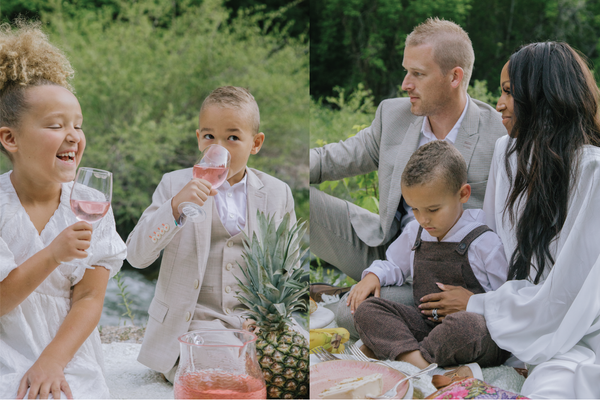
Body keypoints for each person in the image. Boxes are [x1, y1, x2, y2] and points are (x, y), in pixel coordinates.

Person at [419, 42, 600, 398]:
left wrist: (478, 304)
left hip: (581, 328)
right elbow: (497, 249)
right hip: (517, 312)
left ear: (543, 97)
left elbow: (570, 294)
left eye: (508, 92)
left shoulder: (592, 171)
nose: (499, 104)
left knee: (557, 385)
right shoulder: (508, 154)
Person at [311, 17, 505, 339]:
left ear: (454, 76)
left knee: (350, 315)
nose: (405, 84)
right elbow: (336, 157)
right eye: (406, 70)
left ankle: (337, 298)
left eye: (418, 74)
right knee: (295, 196)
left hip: (438, 272)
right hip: (385, 247)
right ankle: (356, 286)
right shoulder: (393, 115)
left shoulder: (498, 132)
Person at [126, 86, 296, 382]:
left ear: (255, 143)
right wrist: (176, 206)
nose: (219, 148)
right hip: (192, 323)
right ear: (198, 139)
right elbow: (137, 256)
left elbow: (289, 266)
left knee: (297, 372)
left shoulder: (277, 192)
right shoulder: (173, 184)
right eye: (209, 137)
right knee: (228, 376)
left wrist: (268, 320)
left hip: (253, 324)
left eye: (232, 137)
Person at [0, 22, 127, 399]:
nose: (73, 135)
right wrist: (54, 253)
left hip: (66, 347)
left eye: (78, 125)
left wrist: (53, 361)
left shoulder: (91, 204)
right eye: (56, 125)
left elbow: (89, 298)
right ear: (10, 138)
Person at [349, 140, 509, 372]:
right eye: (414, 209)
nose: (423, 219)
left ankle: (404, 356)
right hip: (426, 327)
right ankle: (421, 364)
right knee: (368, 310)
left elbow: (505, 300)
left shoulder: (485, 242)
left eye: (433, 209)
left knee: (465, 326)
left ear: (463, 194)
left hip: (475, 334)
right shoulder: (416, 231)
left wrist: (475, 306)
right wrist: (373, 275)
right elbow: (394, 264)